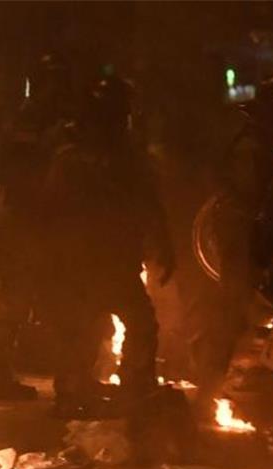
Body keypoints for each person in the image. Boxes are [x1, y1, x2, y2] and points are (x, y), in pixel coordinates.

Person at [41, 76, 175, 417]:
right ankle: (80, 392)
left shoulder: (124, 156)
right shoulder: (74, 159)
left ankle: (127, 387)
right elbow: (52, 213)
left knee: (129, 324)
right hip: (85, 261)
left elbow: (148, 203)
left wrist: (163, 244)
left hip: (112, 261)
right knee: (87, 328)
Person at [190, 73, 273, 402]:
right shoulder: (253, 147)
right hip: (241, 237)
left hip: (254, 238)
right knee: (231, 309)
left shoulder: (267, 145)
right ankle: (208, 382)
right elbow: (256, 203)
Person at [0, 53, 74, 401]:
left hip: (53, 227)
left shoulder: (62, 122)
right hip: (26, 227)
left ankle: (71, 376)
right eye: (54, 83)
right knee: (15, 305)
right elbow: (10, 173)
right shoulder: (29, 123)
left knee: (62, 303)